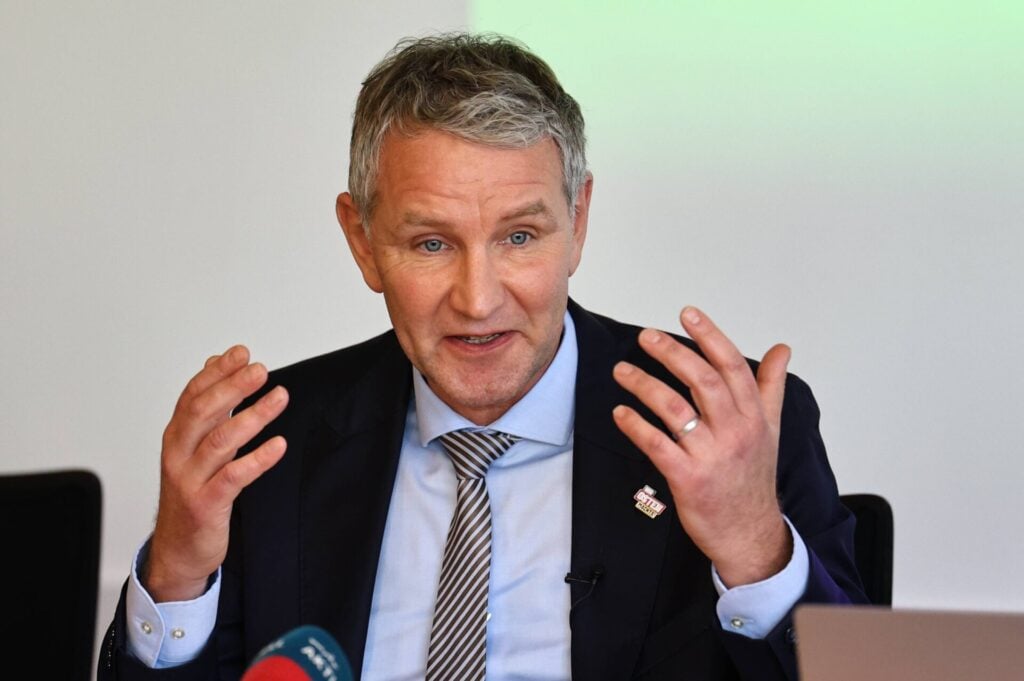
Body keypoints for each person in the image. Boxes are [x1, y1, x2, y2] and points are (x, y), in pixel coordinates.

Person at [99, 33, 865, 681]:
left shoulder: (729, 425)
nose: (478, 299)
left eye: (519, 237)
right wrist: (178, 572)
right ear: (362, 240)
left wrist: (754, 549)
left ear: (578, 220)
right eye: (432, 243)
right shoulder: (268, 446)